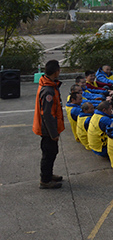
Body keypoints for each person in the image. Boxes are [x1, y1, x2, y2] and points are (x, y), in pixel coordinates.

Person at [33, 59, 65, 189]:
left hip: (49, 128)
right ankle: (45, 180)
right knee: (48, 154)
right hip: (47, 129)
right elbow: (47, 114)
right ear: (56, 72)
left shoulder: (50, 85)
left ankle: (48, 174)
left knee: (52, 152)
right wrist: (53, 133)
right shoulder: (48, 91)